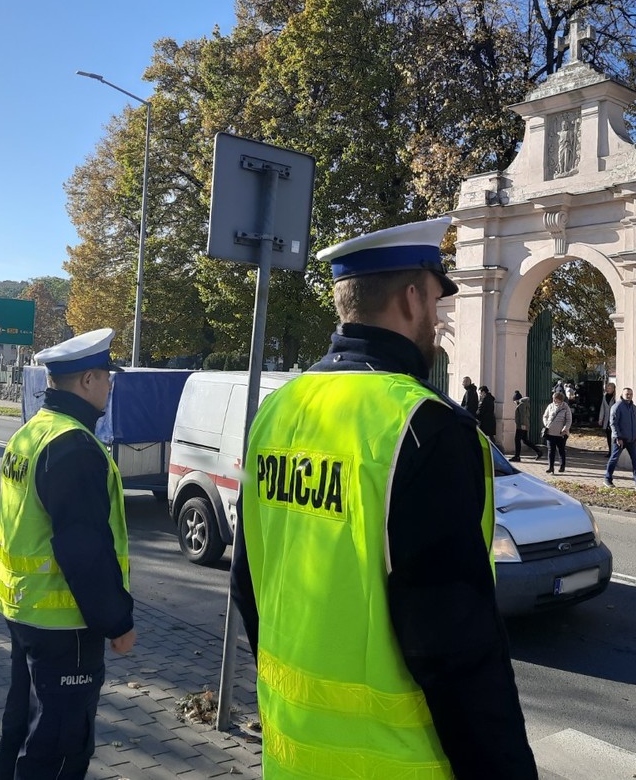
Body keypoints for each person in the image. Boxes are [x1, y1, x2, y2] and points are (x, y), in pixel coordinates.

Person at [230, 217, 538, 778]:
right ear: (413, 296)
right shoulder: (426, 426)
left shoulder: (277, 411)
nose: (439, 317)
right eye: (438, 301)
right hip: (396, 764)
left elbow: (248, 582)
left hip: (290, 751)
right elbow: (454, 646)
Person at [0, 328, 137, 780]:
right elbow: (84, 549)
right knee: (58, 749)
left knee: (22, 730)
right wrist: (117, 622)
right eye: (107, 378)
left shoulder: (33, 432)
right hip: (65, 626)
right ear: (88, 380)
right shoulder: (73, 445)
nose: (111, 387)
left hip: (25, 610)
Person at [604, 387, 636, 490]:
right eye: (627, 394)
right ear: (622, 394)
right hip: (620, 439)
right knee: (614, 459)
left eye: (631, 394)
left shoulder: (634, 407)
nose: (629, 396)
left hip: (632, 439)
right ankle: (607, 479)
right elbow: (613, 424)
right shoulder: (617, 406)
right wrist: (618, 437)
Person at [541, 390, 572, 474]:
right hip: (550, 432)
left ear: (560, 399)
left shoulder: (565, 407)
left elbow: (568, 420)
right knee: (551, 450)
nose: (554, 400)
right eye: (553, 398)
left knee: (561, 450)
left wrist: (565, 429)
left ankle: (562, 465)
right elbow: (545, 416)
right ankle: (551, 467)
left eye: (556, 399)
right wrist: (546, 424)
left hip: (561, 433)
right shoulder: (550, 406)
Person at [511, 390, 542, 461]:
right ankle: (538, 451)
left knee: (517, 440)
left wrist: (522, 424)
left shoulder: (521, 405)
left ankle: (517, 456)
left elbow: (523, 416)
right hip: (524, 424)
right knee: (525, 440)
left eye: (514, 401)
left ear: (516, 400)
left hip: (521, 425)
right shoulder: (524, 404)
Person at [598, 381, 617, 451]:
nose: (608, 389)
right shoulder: (605, 396)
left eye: (609, 388)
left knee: (614, 436)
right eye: (607, 388)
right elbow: (602, 408)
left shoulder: (615, 397)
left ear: (613, 389)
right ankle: (610, 451)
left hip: (614, 419)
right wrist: (600, 419)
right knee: (608, 436)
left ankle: (614, 451)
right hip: (607, 419)